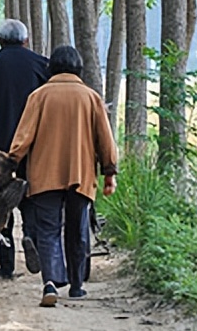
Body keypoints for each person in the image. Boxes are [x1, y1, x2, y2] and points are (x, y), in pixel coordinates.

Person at [7, 45, 118, 307]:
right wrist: (109, 172)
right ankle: (77, 286)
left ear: (51, 68)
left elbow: (23, 137)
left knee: (48, 229)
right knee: (78, 229)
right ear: (78, 68)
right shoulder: (91, 98)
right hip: (81, 173)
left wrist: (12, 162)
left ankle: (51, 282)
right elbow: (106, 139)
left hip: (44, 174)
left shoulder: (39, 96)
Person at [0, 19, 49, 279]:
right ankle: (31, 236)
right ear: (26, 40)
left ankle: (6, 264)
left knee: (0, 203)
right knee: (31, 197)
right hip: (33, 145)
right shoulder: (42, 65)